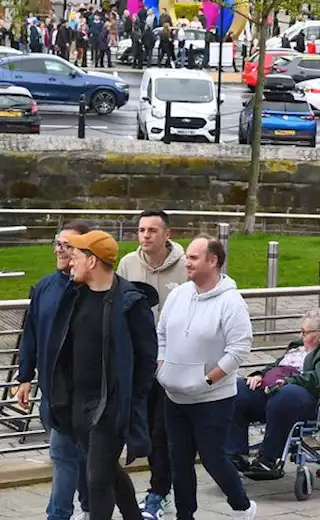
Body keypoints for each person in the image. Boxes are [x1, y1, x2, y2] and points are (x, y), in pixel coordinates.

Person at [47, 230, 158, 520]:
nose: (70, 261)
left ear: (93, 261)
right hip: (77, 405)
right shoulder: (75, 296)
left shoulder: (130, 303)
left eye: (77, 255)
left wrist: (131, 402)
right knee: (107, 469)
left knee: (97, 479)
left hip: (110, 407)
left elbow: (147, 361)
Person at [155, 236, 255, 520]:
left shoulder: (231, 302)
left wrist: (208, 380)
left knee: (213, 459)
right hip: (174, 395)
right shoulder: (178, 295)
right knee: (179, 461)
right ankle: (185, 515)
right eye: (187, 256)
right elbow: (161, 333)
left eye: (194, 257)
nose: (186, 261)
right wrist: (162, 366)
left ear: (213, 261)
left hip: (213, 398)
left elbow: (239, 349)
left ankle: (243, 507)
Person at [16, 222, 92, 520]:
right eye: (57, 243)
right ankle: (90, 507)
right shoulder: (46, 286)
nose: (59, 250)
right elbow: (31, 333)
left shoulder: (92, 289)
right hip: (51, 391)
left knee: (63, 455)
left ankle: (61, 514)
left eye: (67, 245)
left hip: (82, 394)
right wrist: (24, 378)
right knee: (73, 456)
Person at [115, 209, 187, 520]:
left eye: (152, 230)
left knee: (161, 430)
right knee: (133, 426)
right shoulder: (127, 264)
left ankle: (160, 491)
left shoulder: (185, 267)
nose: (145, 235)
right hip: (134, 361)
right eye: (142, 230)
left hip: (170, 362)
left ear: (167, 234)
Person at [230, 309, 320, 479]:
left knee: (286, 395)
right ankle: (235, 455)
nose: (301, 335)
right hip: (275, 390)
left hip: (310, 398)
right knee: (238, 390)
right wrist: (259, 374)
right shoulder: (298, 346)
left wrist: (290, 382)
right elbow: (277, 366)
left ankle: (269, 459)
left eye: (305, 332)